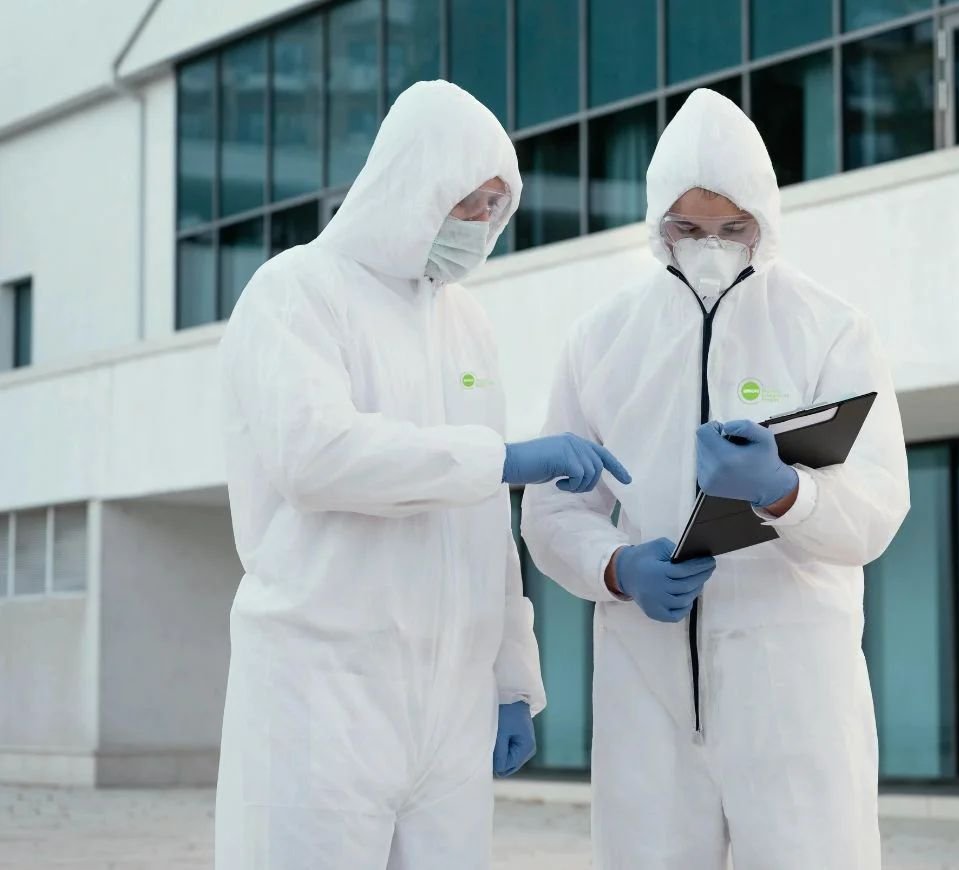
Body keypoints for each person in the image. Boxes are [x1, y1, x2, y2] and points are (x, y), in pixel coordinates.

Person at [214, 80, 630, 870]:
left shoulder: (465, 322)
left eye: (493, 208)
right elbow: (316, 455)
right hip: (325, 685)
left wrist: (514, 677)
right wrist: (502, 460)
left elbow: (482, 528)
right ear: (413, 185)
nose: (480, 226)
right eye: (467, 202)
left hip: (449, 701)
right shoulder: (297, 290)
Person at [521, 88, 910, 869]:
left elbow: (876, 511)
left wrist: (785, 491)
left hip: (795, 686)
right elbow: (552, 511)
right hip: (648, 687)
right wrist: (616, 567)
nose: (710, 246)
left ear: (765, 219)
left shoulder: (830, 328)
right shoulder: (600, 341)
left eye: (733, 228)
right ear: (656, 222)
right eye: (688, 227)